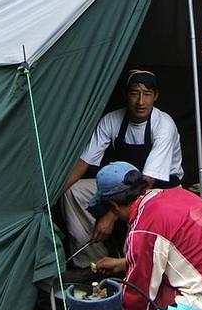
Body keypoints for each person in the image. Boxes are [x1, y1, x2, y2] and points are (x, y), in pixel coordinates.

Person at [93, 162, 202, 310]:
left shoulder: (144, 227)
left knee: (150, 299)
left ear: (113, 206)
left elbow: (136, 299)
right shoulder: (176, 194)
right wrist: (124, 263)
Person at [61, 70, 183, 269]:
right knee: (75, 191)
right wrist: (50, 197)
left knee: (146, 211)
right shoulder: (112, 120)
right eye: (135, 93)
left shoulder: (164, 126)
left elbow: (147, 181)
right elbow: (83, 163)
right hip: (125, 188)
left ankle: (129, 264)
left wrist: (111, 216)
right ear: (127, 95)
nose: (140, 101)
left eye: (147, 94)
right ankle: (93, 263)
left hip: (160, 189)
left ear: (156, 96)